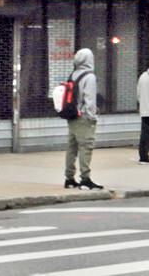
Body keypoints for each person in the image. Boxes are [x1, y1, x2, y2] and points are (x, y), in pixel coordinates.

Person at [62, 46, 102, 190]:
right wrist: (93, 117)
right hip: (84, 117)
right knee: (86, 147)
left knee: (72, 147)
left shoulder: (74, 74)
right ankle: (85, 179)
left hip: (72, 116)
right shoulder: (89, 76)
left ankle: (69, 178)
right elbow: (90, 99)